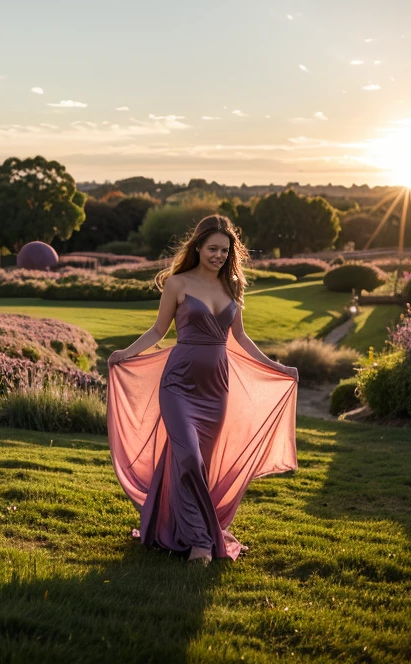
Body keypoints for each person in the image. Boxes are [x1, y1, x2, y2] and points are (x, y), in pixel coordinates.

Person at [107, 215, 299, 565]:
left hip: (215, 390)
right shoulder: (177, 284)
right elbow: (157, 331)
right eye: (213, 249)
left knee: (196, 465)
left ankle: (180, 528)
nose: (219, 256)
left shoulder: (233, 287)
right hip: (178, 384)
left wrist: (277, 367)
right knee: (190, 461)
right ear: (197, 247)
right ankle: (198, 542)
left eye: (225, 251)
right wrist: (126, 353)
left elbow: (240, 338)